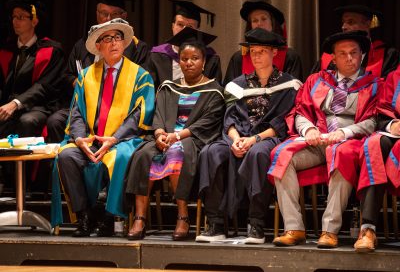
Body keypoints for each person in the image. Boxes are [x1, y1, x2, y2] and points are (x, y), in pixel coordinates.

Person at [269, 30, 382, 248]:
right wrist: (309, 130)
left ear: (362, 56)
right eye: (343, 53)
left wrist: (344, 133)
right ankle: (294, 227)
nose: (349, 58)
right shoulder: (316, 81)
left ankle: (330, 231)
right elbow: (300, 111)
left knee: (342, 153)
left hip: (350, 142)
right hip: (318, 140)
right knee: (281, 155)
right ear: (333, 58)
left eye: (354, 53)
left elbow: (373, 121)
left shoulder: (374, 84)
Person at [51, 18, 155, 237]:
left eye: (118, 38)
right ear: (98, 47)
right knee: (66, 156)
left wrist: (114, 138)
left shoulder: (140, 75)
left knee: (119, 158)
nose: (114, 42)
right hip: (90, 140)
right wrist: (79, 139)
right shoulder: (86, 75)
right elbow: (76, 111)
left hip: (124, 140)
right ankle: (84, 217)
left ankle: (109, 217)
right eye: (107, 39)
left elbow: (140, 114)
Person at [196, 28, 299, 244]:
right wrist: (235, 139)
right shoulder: (237, 85)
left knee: (259, 153)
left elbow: (283, 122)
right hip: (238, 138)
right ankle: (216, 224)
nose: (256, 56)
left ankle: (256, 224)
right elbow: (229, 119)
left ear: (274, 53)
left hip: (268, 139)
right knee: (211, 152)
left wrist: (254, 139)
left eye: (262, 51)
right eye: (253, 51)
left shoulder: (289, 85)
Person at [125, 27, 225, 241]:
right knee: (143, 155)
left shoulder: (214, 91)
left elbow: (208, 123)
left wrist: (177, 137)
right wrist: (160, 133)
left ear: (204, 62)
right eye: (184, 58)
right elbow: (158, 113)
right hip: (164, 137)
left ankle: (183, 216)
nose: (189, 62)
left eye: (195, 58)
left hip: (190, 141)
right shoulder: (168, 87)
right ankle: (140, 218)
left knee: (176, 153)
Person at [46, 0, 149, 144]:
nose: (107, 19)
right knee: (55, 121)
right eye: (103, 13)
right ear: (96, 13)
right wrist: (84, 84)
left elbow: (141, 86)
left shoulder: (136, 47)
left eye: (113, 14)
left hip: (120, 109)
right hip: (85, 104)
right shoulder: (82, 45)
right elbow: (66, 75)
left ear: (124, 16)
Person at [0, 0, 65, 137]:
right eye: (14, 17)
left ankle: (27, 160)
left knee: (27, 121)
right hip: (8, 106)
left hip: (39, 107)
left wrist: (16, 103)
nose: (15, 21)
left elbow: (43, 86)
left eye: (21, 17)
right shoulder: (7, 50)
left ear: (34, 21)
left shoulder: (51, 50)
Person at [357, 65, 400, 252]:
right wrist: (393, 124)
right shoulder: (395, 77)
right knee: (375, 144)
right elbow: (382, 113)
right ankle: (368, 229)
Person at [145, 0, 222, 87]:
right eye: (180, 24)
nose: (184, 30)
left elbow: (215, 92)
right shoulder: (156, 56)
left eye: (190, 26)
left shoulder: (210, 59)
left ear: (197, 30)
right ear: (173, 26)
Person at [223, 0, 303, 84]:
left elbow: (295, 92)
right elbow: (229, 91)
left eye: (264, 19)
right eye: (255, 20)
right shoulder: (239, 57)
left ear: (273, 23)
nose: (259, 24)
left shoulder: (290, 57)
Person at [311, 5, 399, 78]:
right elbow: (313, 86)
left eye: (351, 22)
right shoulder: (329, 56)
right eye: (343, 22)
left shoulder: (386, 55)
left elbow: (390, 89)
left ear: (367, 24)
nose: (343, 27)